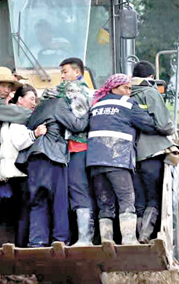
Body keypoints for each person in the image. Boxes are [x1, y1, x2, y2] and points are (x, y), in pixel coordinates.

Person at [0, 67, 45, 249]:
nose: (6, 90)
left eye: (9, 86)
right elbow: (17, 114)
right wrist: (42, 114)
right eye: (3, 86)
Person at [86, 74, 160, 245]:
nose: (129, 92)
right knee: (127, 199)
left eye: (130, 88)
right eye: (125, 88)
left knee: (105, 203)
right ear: (113, 88)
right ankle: (128, 240)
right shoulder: (126, 104)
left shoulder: (96, 104)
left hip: (95, 161)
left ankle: (106, 241)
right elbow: (149, 124)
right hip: (117, 158)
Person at [17, 80, 88, 247]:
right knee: (59, 200)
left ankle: (37, 242)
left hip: (34, 159)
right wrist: (86, 113)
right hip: (52, 157)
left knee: (38, 201)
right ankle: (60, 239)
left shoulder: (38, 108)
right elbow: (77, 125)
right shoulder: (58, 104)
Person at [130, 61, 177, 242]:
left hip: (128, 156)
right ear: (150, 77)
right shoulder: (149, 92)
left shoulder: (123, 94)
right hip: (151, 153)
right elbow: (164, 124)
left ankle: (134, 237)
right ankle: (146, 236)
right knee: (153, 198)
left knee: (138, 200)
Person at [0, 84, 42, 246]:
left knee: (19, 210)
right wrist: (35, 133)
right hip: (17, 171)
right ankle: (22, 246)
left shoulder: (10, 115)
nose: (34, 103)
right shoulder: (18, 118)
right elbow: (19, 141)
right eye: (31, 99)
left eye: (35, 100)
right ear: (20, 100)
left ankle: (19, 244)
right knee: (24, 210)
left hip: (9, 170)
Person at [59, 58, 96, 246]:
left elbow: (77, 120)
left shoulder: (75, 90)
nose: (62, 76)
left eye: (65, 72)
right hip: (83, 148)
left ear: (77, 72)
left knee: (78, 189)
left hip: (78, 146)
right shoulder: (91, 92)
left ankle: (84, 238)